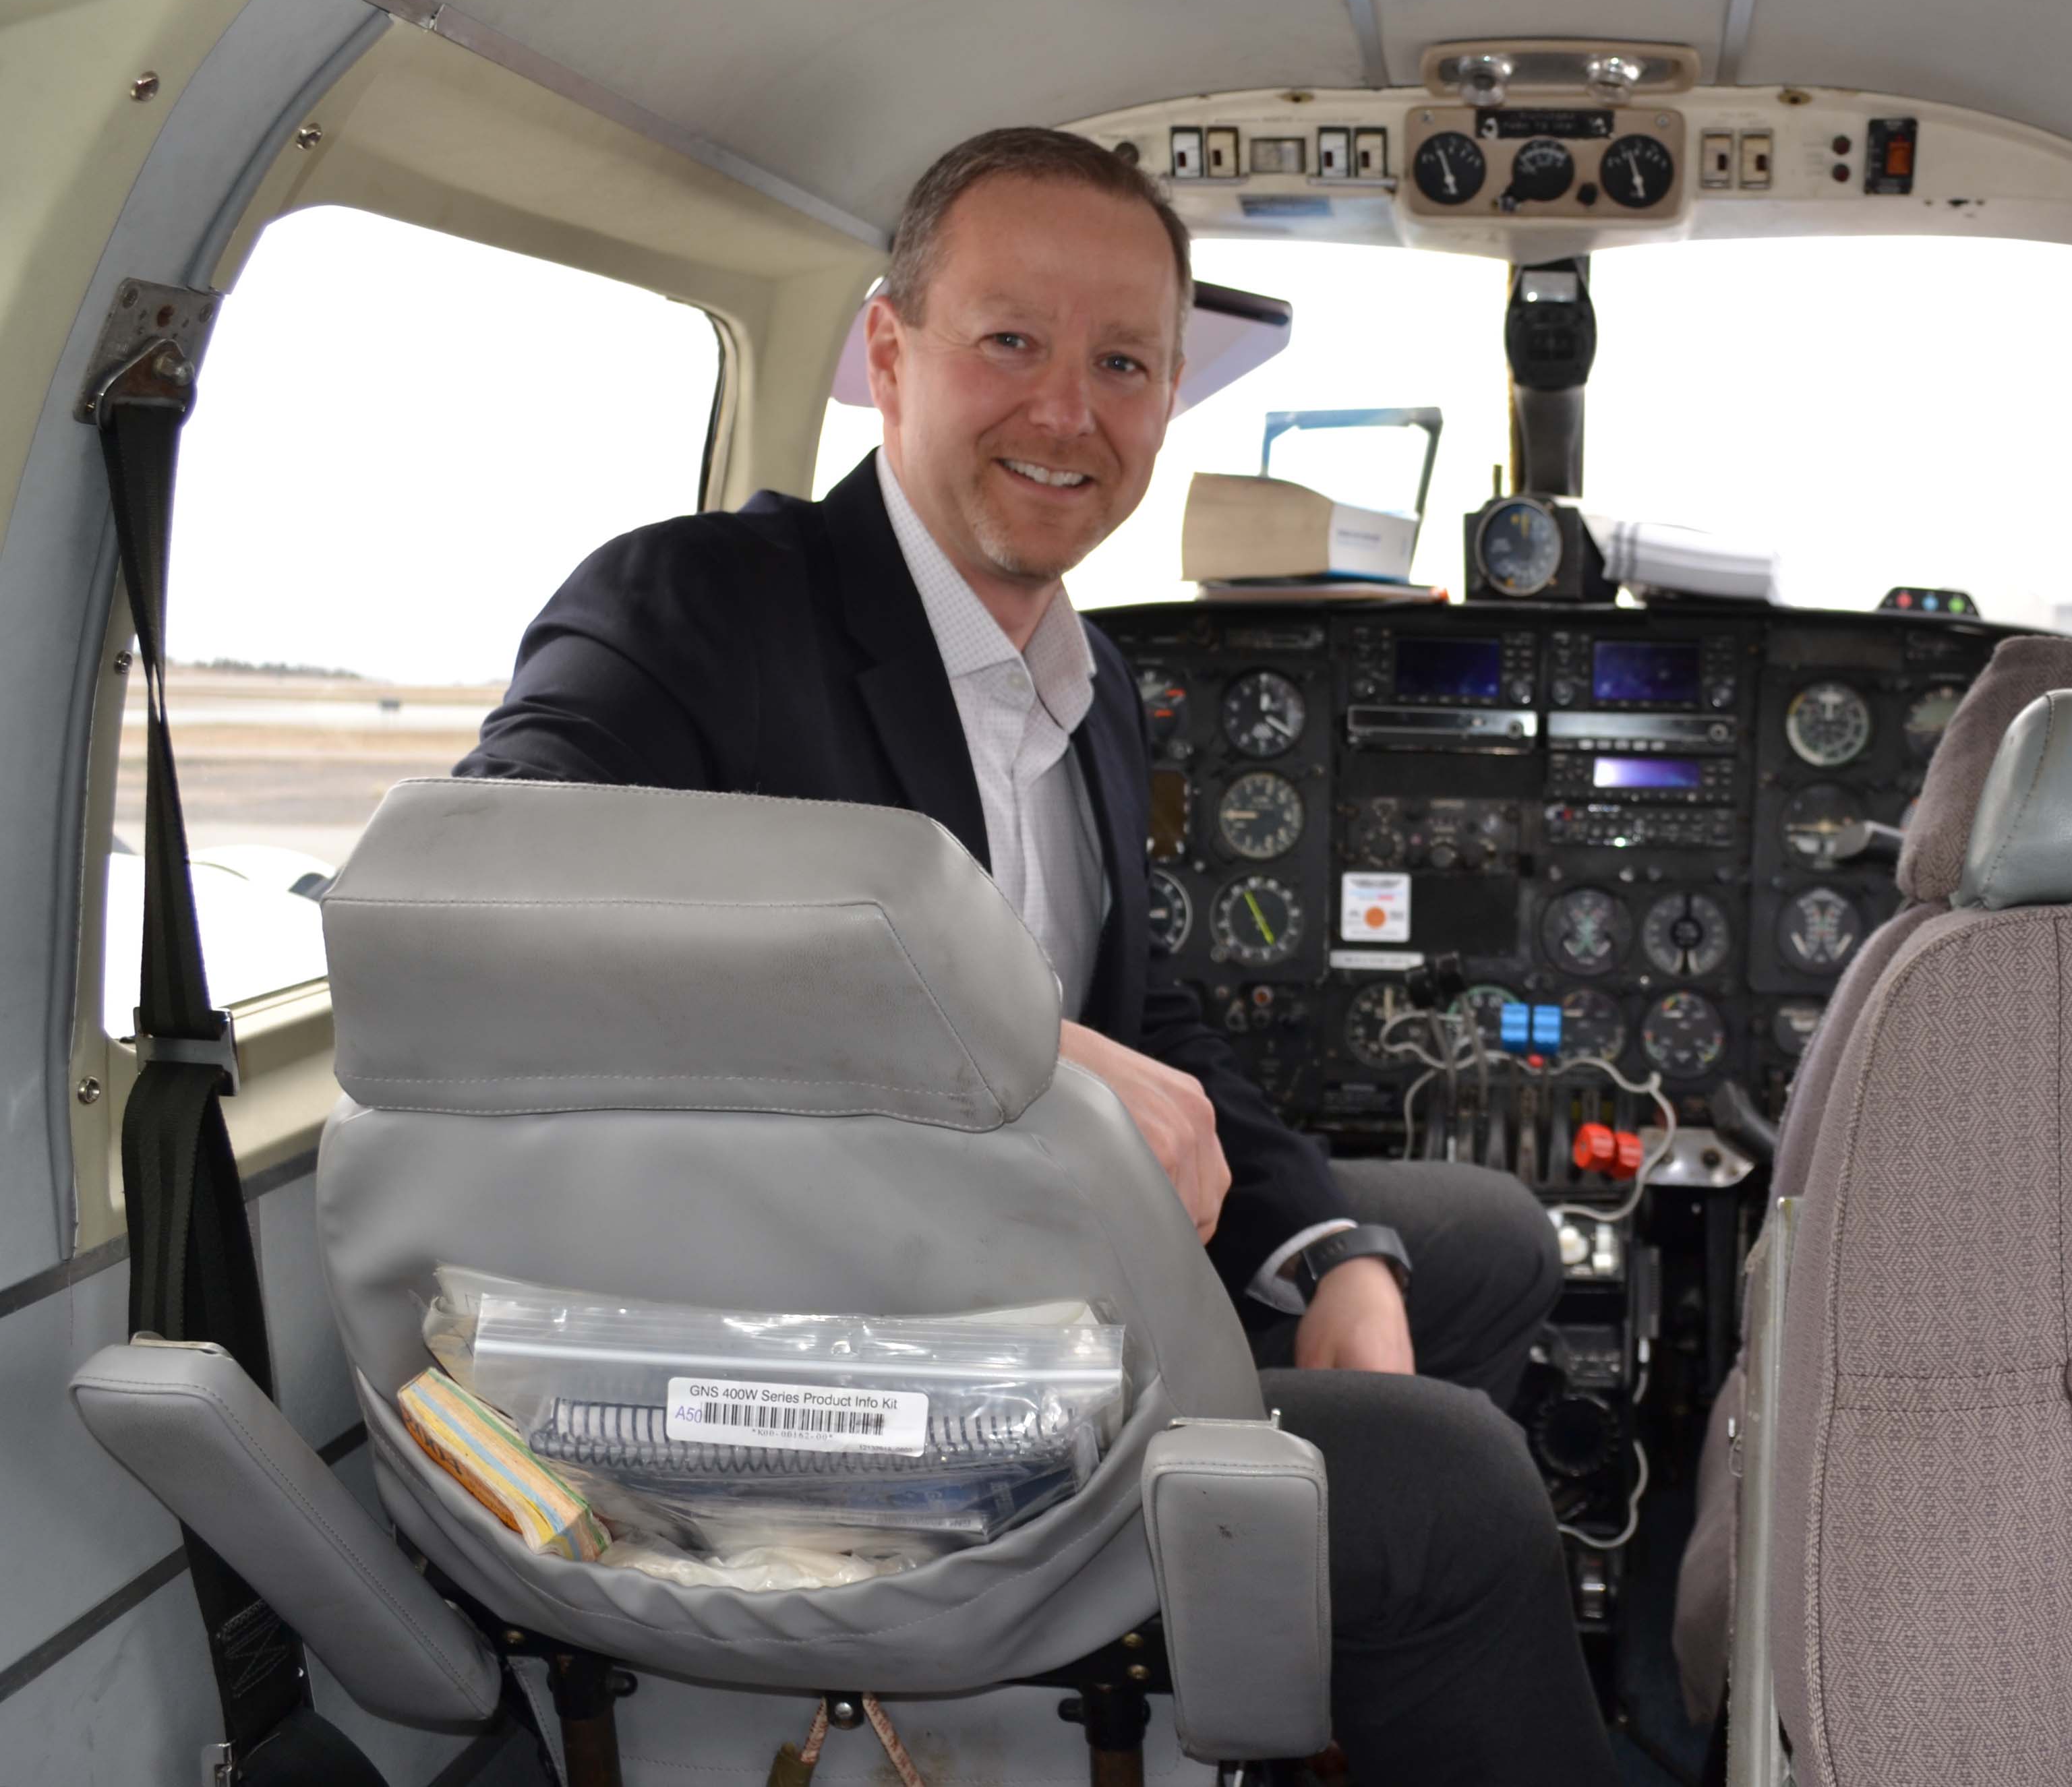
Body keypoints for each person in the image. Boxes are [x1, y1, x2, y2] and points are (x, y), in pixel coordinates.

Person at [458, 126, 1620, 1787]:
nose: (1067, 411)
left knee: (1487, 1242)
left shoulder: (1083, 689)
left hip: (1027, 1285)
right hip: (822, 1372)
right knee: (1450, 1485)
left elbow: (1155, 1022)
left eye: (1123, 362)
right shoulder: (693, 606)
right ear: (889, 351)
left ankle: (1303, 1693)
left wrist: (1331, 1249)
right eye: (1011, 340)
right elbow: (501, 884)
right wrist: (1015, 1045)